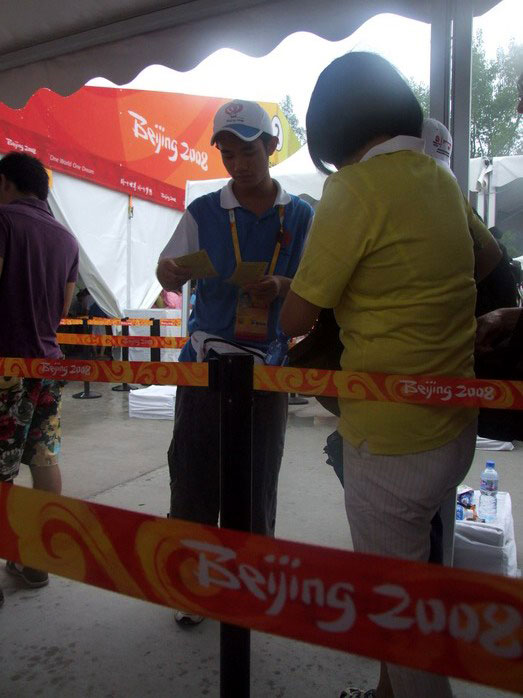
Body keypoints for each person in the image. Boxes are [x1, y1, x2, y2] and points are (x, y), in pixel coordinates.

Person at [280, 53, 484, 698]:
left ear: (332, 129)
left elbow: (295, 318)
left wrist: (301, 286)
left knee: (398, 616)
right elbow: (486, 258)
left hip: (389, 439)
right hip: (455, 421)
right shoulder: (440, 180)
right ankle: (385, 692)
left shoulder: (352, 190)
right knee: (418, 584)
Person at [156, 100, 313, 625]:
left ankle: (248, 587)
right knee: (194, 476)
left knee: (256, 481)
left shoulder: (301, 215)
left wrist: (284, 284)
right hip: (205, 363)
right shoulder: (204, 211)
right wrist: (169, 273)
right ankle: (194, 588)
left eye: (248, 151)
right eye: (228, 153)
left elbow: (317, 284)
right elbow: (167, 265)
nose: (238, 164)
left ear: (271, 147)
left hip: (267, 368)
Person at [0, 152, 79, 604]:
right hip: (47, 366)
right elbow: (62, 310)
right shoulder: (67, 240)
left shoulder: (3, 221)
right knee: (43, 458)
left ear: (6, 182)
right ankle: (37, 563)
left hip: (5, 367)